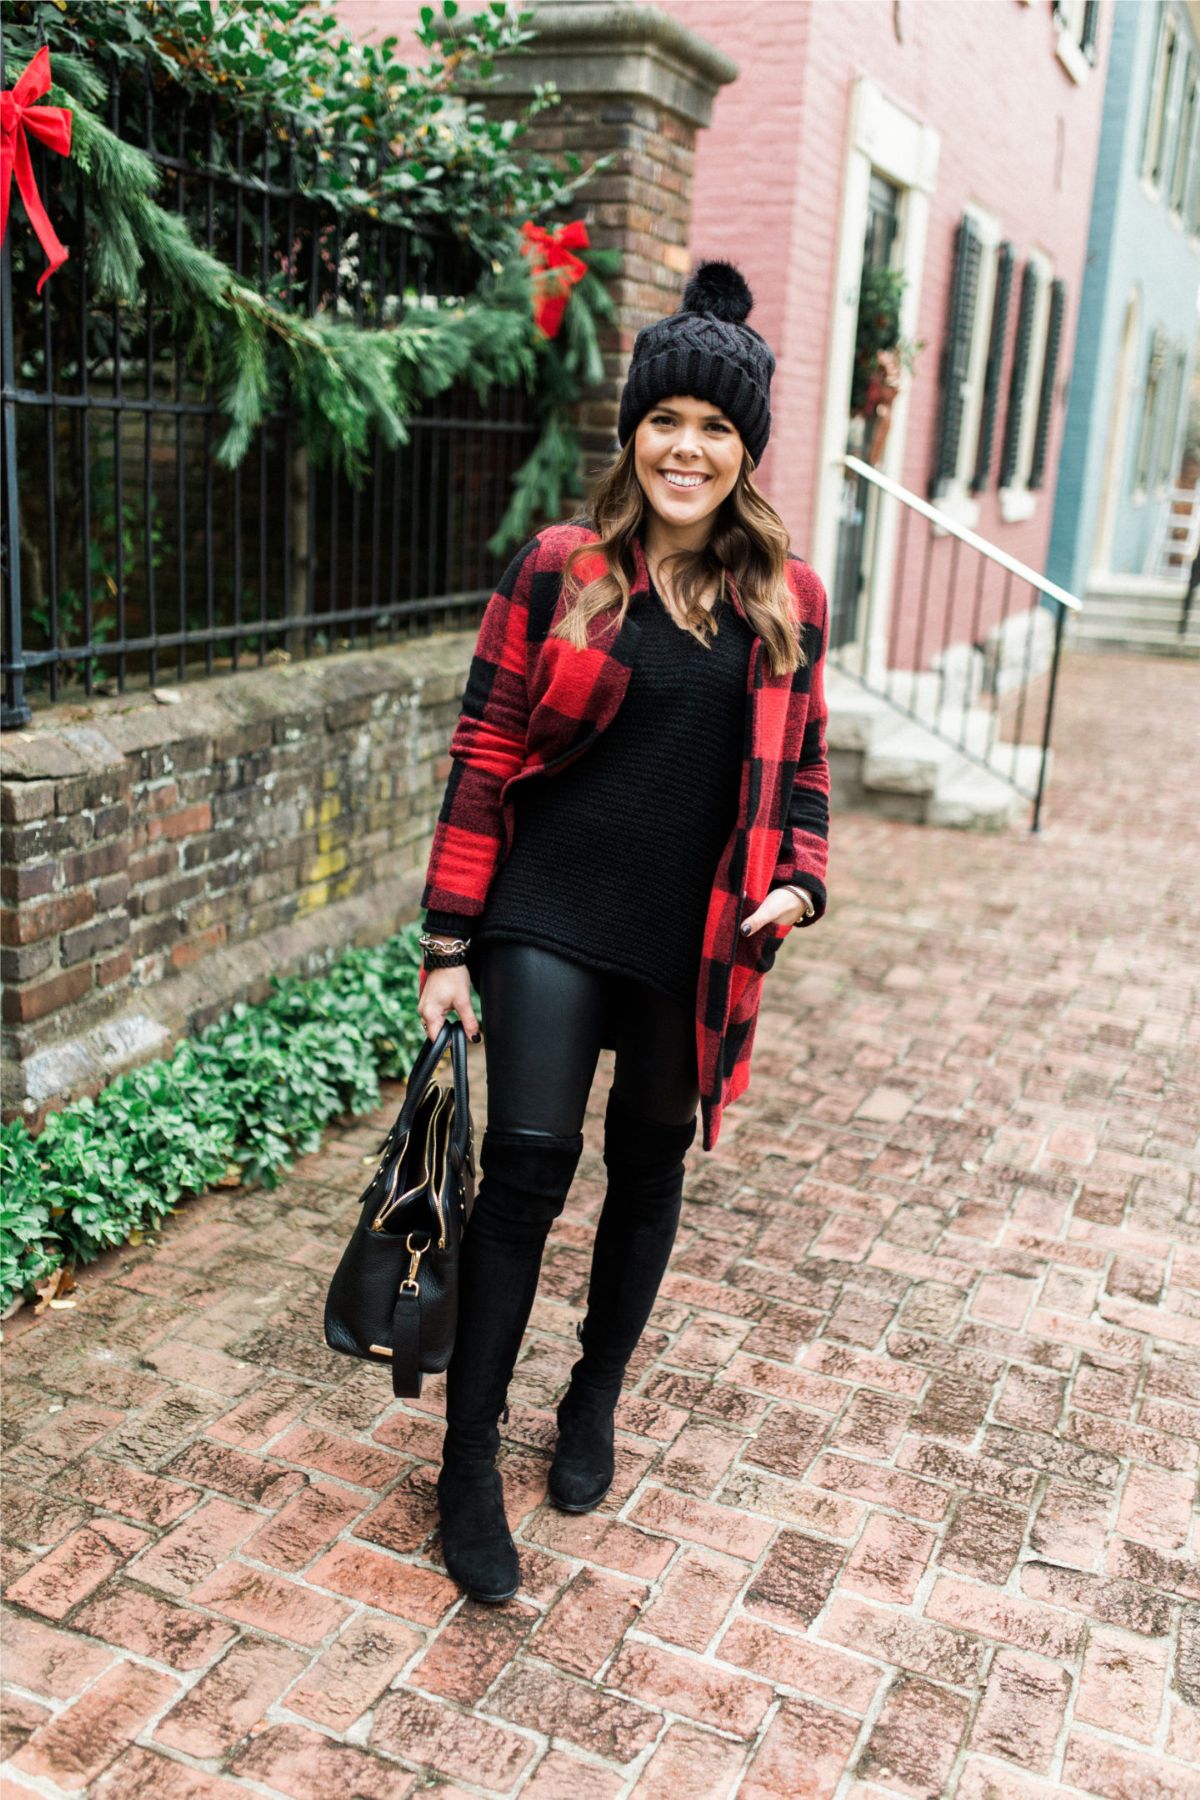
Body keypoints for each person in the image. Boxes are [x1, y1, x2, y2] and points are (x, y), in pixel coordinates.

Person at [415, 259, 831, 1604]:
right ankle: (465, 1462)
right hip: (548, 911)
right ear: (634, 432)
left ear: (746, 449)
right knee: (528, 1170)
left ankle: (590, 1401)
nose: (687, 447)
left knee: (648, 1170)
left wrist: (803, 882)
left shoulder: (790, 602)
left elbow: (806, 775)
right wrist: (444, 946)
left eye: (715, 427)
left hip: (694, 937)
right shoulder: (562, 569)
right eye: (667, 421)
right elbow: (483, 753)